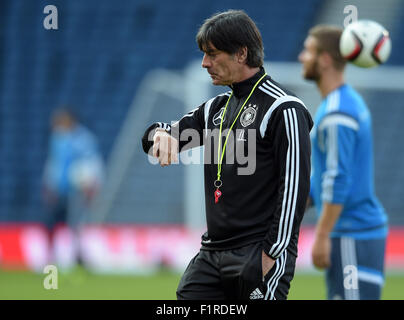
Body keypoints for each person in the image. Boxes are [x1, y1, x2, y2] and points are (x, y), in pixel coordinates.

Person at [142, 10, 313, 300]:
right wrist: (159, 136)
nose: (204, 63)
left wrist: (269, 254)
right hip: (212, 253)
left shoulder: (285, 109)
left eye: (212, 53)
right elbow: (155, 135)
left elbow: (295, 189)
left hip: (257, 252)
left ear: (241, 53)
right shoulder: (215, 109)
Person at [298, 25, 388, 300]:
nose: (302, 57)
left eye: (308, 50)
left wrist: (322, 234)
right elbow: (325, 174)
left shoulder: (338, 111)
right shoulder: (339, 103)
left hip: (352, 233)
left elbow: (338, 178)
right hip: (353, 232)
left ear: (325, 59)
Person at [42, 107, 105, 269]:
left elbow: (92, 163)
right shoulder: (57, 138)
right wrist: (49, 184)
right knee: (51, 223)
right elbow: (54, 163)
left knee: (74, 224)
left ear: (70, 120)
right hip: (59, 190)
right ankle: (50, 257)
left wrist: (92, 185)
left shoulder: (84, 139)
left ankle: (77, 257)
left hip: (76, 190)